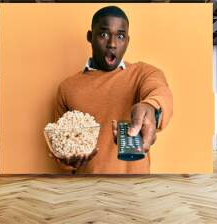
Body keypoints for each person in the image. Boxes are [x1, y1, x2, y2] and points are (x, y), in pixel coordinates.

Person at [53, 5, 173, 174]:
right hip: (87, 190)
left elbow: (160, 92)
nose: (112, 44)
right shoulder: (67, 88)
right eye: (103, 34)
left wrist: (151, 108)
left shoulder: (144, 73)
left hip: (134, 189)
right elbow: (62, 150)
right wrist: (67, 159)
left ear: (128, 41)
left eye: (121, 36)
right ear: (90, 37)